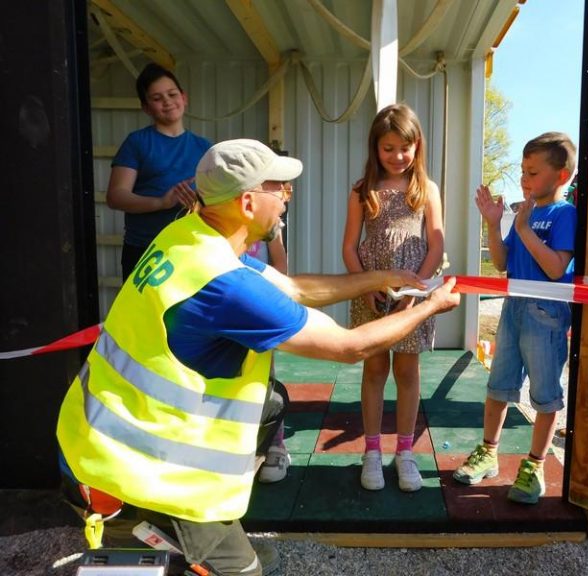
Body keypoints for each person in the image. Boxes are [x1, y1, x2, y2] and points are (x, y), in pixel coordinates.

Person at [57, 139, 460, 576]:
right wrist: (429, 306)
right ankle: (144, 551)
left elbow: (298, 289)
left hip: (94, 435)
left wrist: (379, 277)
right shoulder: (226, 286)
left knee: (271, 403)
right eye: (279, 189)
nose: (287, 198)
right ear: (248, 202)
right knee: (244, 573)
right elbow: (351, 347)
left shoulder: (190, 237)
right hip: (135, 473)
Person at [453, 132, 577, 505]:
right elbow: (503, 262)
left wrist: (522, 228)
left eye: (533, 172)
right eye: (523, 171)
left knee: (545, 396)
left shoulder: (563, 214)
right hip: (514, 308)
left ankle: (534, 466)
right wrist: (494, 224)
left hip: (547, 312)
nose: (524, 179)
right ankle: (488, 452)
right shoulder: (527, 212)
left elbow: (556, 268)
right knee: (498, 386)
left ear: (561, 177)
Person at [341, 103, 445, 493]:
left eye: (405, 148)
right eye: (388, 148)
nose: (398, 156)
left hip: (412, 294)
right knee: (373, 371)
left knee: (407, 372)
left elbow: (436, 242)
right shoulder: (360, 190)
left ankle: (404, 451)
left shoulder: (426, 189)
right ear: (375, 148)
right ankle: (371, 451)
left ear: (417, 146)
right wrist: (364, 287)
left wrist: (416, 291)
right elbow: (350, 246)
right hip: (371, 292)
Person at [106, 62, 212, 281]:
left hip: (192, 249)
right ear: (146, 108)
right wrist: (161, 203)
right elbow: (116, 196)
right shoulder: (137, 142)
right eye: (156, 98)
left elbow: (218, 198)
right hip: (146, 251)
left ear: (184, 98)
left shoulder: (205, 147)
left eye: (172, 94)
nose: (167, 102)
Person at [245, 236, 292, 483]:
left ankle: (276, 445)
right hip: (227, 307)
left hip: (258, 305)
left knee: (267, 378)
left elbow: (280, 260)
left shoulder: (266, 219)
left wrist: (271, 299)